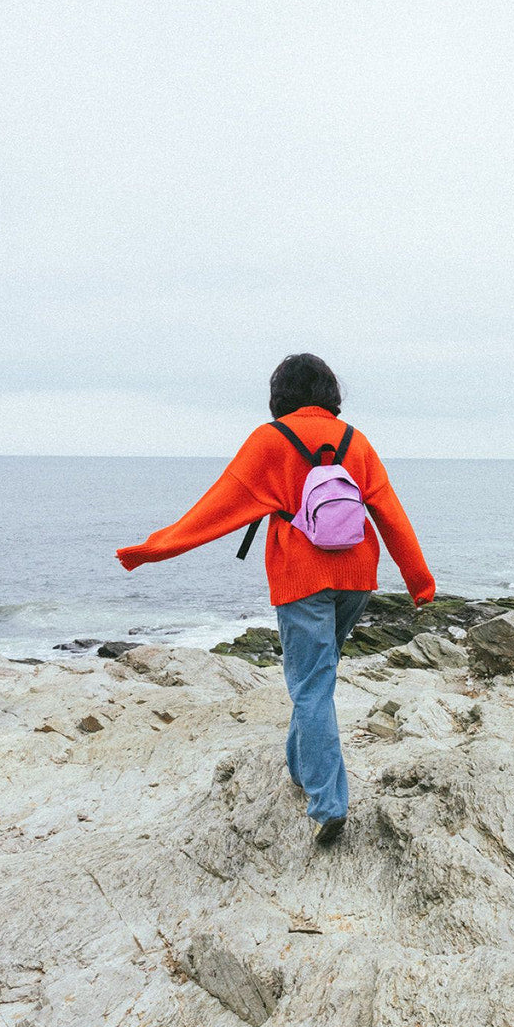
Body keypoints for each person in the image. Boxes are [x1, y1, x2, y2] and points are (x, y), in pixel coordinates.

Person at [116, 353, 435, 844]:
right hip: (357, 576)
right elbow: (390, 512)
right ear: (331, 393)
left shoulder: (271, 440)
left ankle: (329, 804)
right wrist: (419, 581)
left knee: (311, 685)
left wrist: (152, 550)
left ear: (279, 395)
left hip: (302, 577)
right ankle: (300, 767)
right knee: (316, 677)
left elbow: (214, 508)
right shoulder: (357, 441)